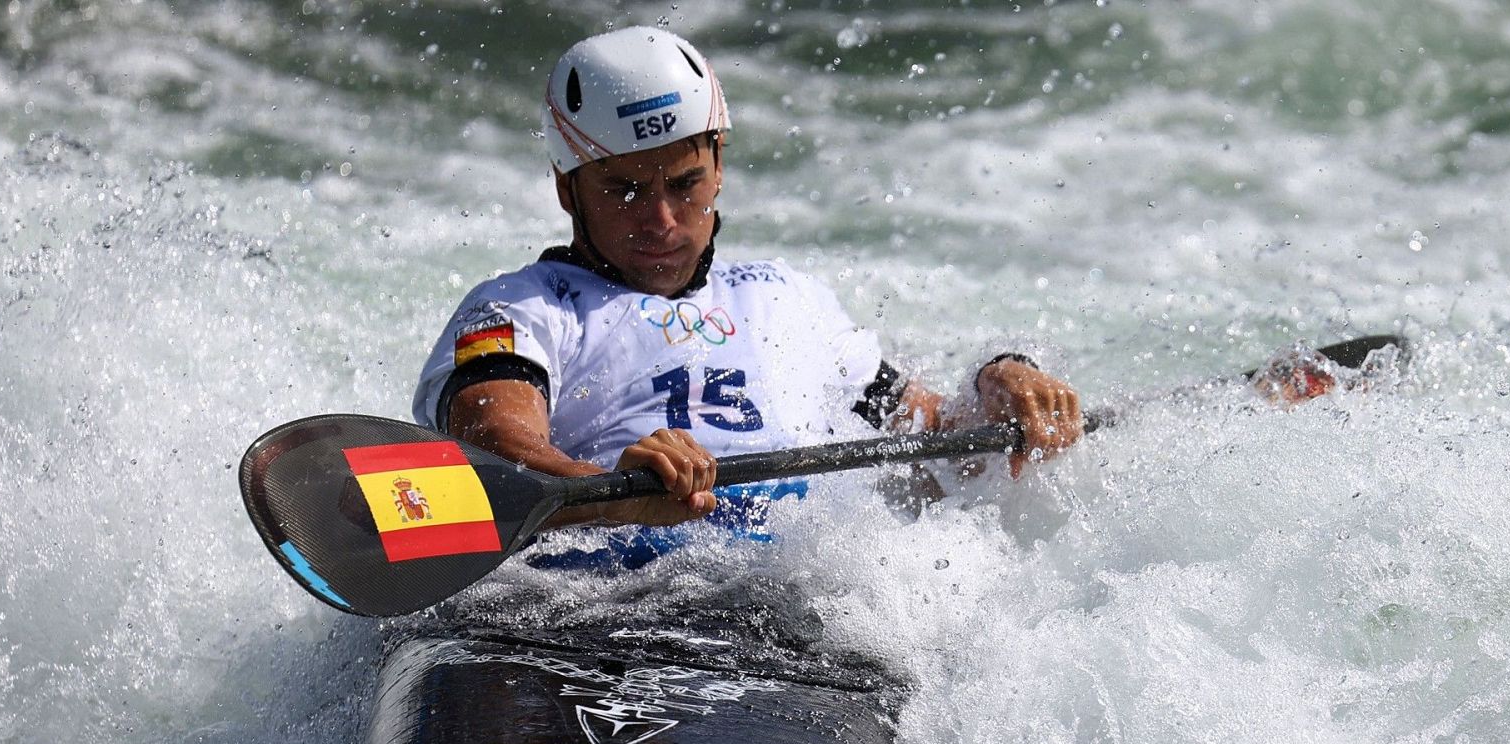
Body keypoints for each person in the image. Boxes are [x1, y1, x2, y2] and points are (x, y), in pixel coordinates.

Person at [413, 26, 1082, 557]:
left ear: (719, 166)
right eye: (624, 191)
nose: (662, 221)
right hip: (611, 599)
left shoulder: (788, 298)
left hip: (816, 600)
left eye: (684, 184)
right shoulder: (522, 309)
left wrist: (1004, 386)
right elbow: (494, 448)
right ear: (568, 189)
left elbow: (939, 446)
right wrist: (612, 495)